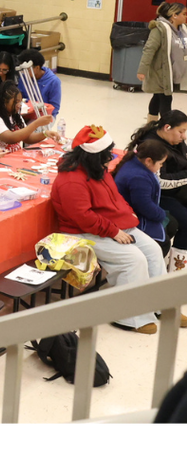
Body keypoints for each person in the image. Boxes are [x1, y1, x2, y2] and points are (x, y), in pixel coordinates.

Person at [51, 125, 170, 334]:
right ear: (93, 156)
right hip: (83, 231)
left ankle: (159, 305)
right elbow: (83, 217)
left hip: (111, 225)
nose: (111, 158)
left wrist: (127, 214)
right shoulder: (71, 180)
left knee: (152, 250)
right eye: (107, 154)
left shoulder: (98, 170)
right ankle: (128, 317)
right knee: (133, 260)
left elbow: (115, 198)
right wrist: (114, 231)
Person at [120, 112, 187, 271]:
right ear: (167, 127)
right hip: (161, 195)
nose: (183, 136)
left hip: (174, 191)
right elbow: (159, 183)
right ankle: (176, 270)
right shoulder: (153, 149)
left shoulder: (174, 141)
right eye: (181, 131)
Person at [114, 138, 172, 254]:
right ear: (148, 161)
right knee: (164, 243)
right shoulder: (139, 178)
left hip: (133, 213)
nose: (161, 166)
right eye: (160, 163)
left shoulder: (133, 163)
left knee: (171, 224)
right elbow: (144, 205)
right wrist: (161, 215)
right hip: (132, 219)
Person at [137, 1, 187, 122]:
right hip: (161, 71)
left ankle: (151, 123)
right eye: (184, 14)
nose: (186, 16)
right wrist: (142, 70)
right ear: (174, 15)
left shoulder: (183, 30)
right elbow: (149, 49)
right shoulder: (159, 29)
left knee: (158, 96)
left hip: (175, 70)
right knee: (166, 98)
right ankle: (166, 126)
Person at [0, 80, 55, 151]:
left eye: (20, 102)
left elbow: (27, 138)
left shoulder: (15, 116)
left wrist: (45, 134)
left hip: (15, 157)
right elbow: (11, 138)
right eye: (16, 102)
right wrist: (36, 123)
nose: (19, 105)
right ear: (4, 102)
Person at [16, 47, 62, 116]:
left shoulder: (53, 81)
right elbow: (20, 97)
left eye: (27, 70)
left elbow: (54, 107)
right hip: (26, 112)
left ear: (37, 68)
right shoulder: (24, 77)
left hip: (44, 114)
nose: (24, 72)